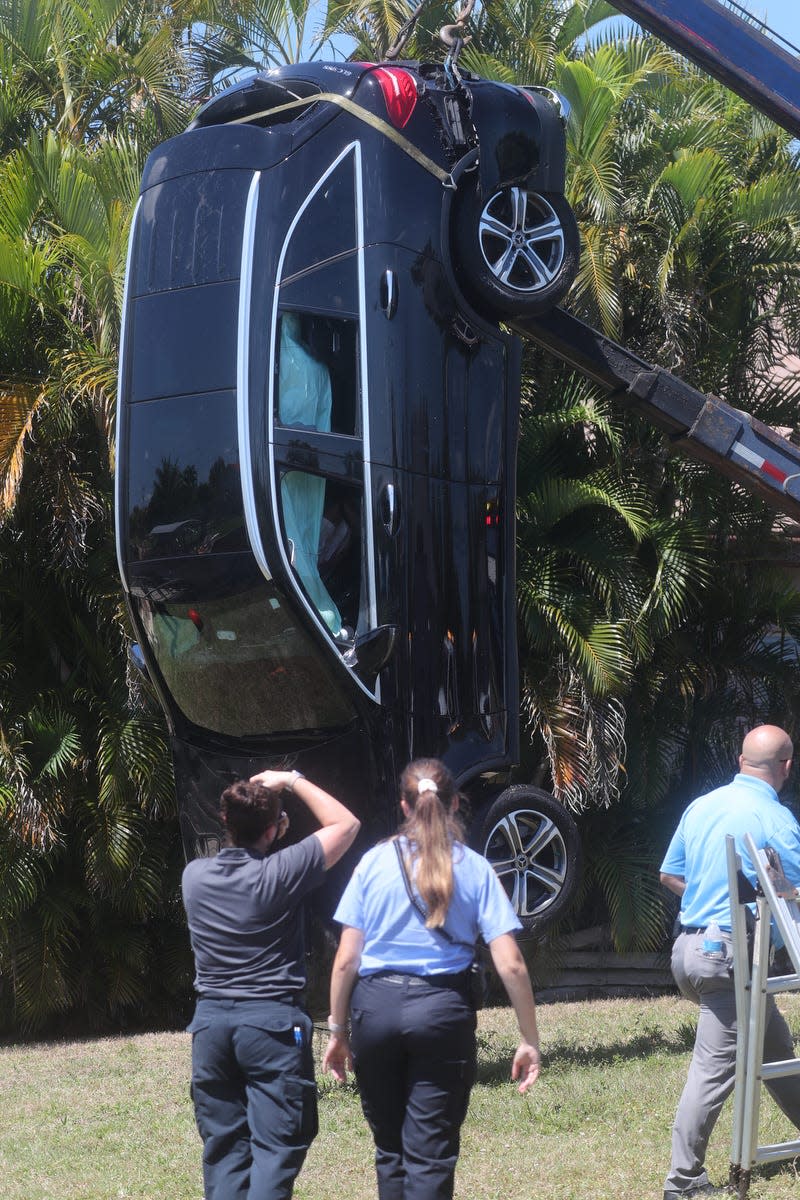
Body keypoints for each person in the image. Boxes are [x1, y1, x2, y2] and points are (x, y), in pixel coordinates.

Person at [322, 757, 541, 1200]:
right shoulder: (475, 868)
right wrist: (529, 1038)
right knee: (431, 1154)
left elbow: (347, 959)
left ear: (404, 806)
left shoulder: (372, 863)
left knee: (390, 1151)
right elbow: (511, 963)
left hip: (374, 1010)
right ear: (456, 804)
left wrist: (338, 1030)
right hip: (443, 1013)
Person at [182, 769, 360, 1200]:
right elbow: (346, 824)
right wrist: (293, 779)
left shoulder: (194, 877)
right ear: (275, 829)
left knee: (223, 1149)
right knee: (278, 1147)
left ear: (225, 823)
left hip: (210, 1028)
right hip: (272, 1026)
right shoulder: (282, 872)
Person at [660, 724, 800, 1199]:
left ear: (741, 761)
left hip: (689, 950)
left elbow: (669, 873)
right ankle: (683, 1181)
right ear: (786, 767)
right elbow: (791, 895)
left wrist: (710, 905)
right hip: (731, 957)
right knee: (713, 1069)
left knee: (775, 1046)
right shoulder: (774, 817)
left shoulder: (702, 805)